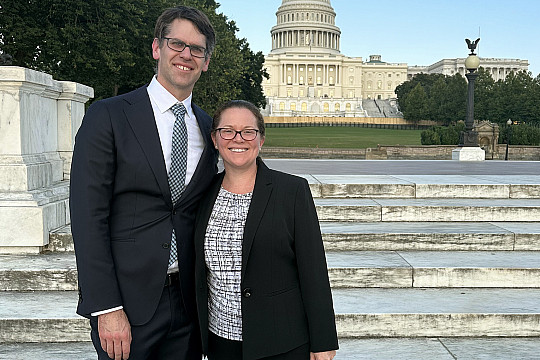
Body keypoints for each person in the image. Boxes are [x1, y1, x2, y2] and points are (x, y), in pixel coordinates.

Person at [70, 6, 218, 360]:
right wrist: (105, 306)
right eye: (176, 43)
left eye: (197, 49)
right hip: (126, 306)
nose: (186, 55)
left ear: (206, 62)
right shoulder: (108, 115)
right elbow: (88, 217)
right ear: (157, 48)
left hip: (188, 306)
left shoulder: (207, 126)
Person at [193, 100, 339, 360]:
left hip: (281, 342)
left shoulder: (292, 191)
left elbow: (313, 270)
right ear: (215, 139)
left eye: (248, 131)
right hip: (220, 343)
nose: (238, 139)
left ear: (261, 140)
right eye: (227, 131)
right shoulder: (203, 194)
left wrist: (323, 341)